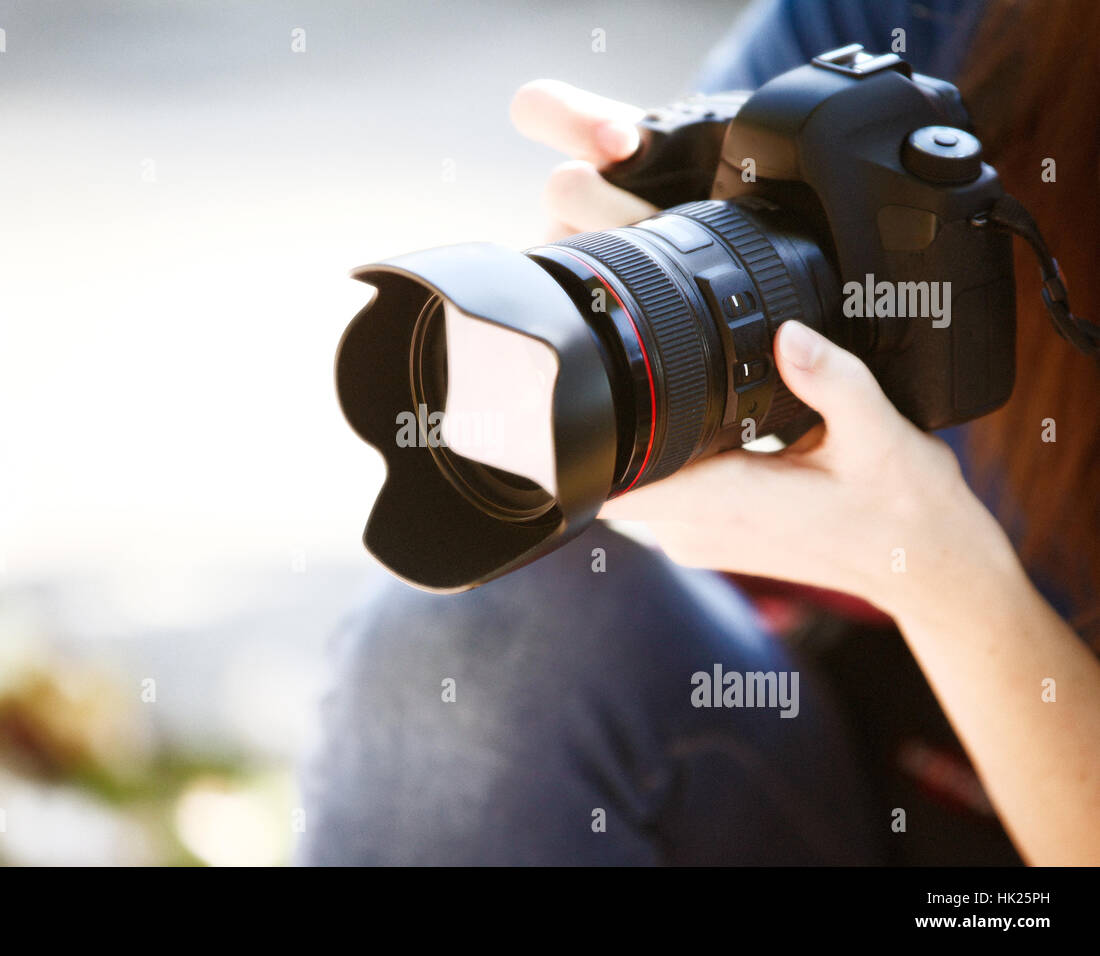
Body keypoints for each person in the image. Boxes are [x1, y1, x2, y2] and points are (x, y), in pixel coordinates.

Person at [298, 0, 1100, 865]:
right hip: (842, 748)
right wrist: (631, 236)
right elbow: (708, 188)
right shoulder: (941, 16)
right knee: (472, 639)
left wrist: (940, 577)